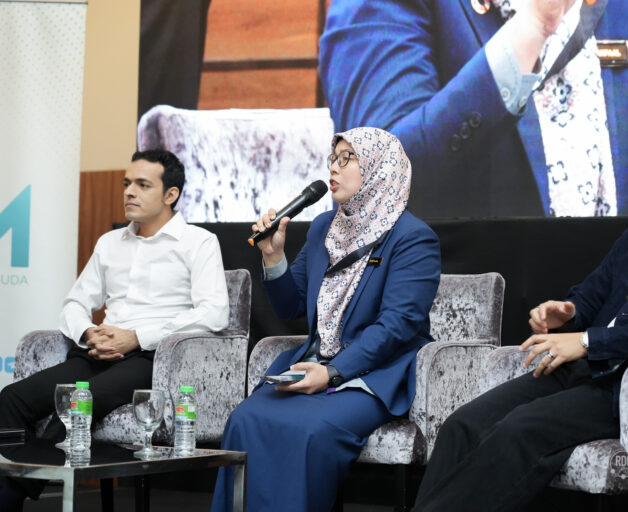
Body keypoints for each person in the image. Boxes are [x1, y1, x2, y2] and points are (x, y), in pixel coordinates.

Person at [412, 121, 628, 511]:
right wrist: (566, 314)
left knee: (517, 431)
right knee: (462, 424)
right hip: (584, 370)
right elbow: (590, 297)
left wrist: (587, 341)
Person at [210, 127, 441, 512]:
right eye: (333, 158)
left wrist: (333, 373)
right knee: (243, 419)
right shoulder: (323, 227)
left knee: (309, 431)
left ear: (380, 168)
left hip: (370, 374)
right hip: (314, 365)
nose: (334, 168)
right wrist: (272, 256)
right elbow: (291, 307)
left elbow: (397, 326)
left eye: (347, 158)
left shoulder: (413, 238)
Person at [0, 149, 230, 510]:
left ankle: (9, 494)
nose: (129, 192)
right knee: (11, 399)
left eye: (142, 185)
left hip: (151, 358)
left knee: (81, 403)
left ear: (170, 195)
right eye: (127, 183)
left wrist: (137, 337)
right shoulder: (110, 243)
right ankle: (12, 491)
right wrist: (88, 332)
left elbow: (215, 313)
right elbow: (75, 303)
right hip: (97, 352)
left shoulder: (198, 242)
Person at [319, 0, 628, 218]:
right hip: (458, 304)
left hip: (601, 305)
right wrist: (532, 29)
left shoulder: (621, 6)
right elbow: (373, 177)